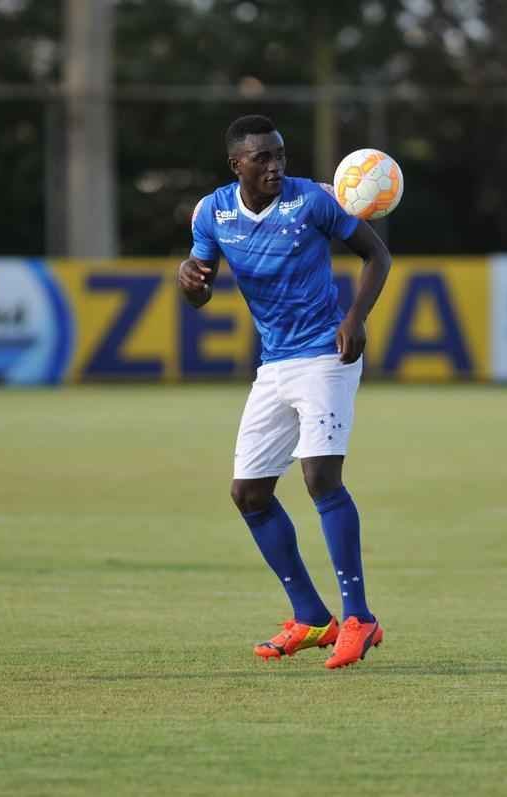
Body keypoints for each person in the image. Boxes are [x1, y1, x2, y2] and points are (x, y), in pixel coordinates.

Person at [177, 115, 393, 669]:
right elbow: (200, 289)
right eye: (263, 158)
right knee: (248, 493)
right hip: (275, 365)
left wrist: (357, 317)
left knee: (320, 478)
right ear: (237, 165)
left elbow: (377, 255)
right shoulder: (212, 213)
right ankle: (312, 617)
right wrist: (190, 282)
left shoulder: (314, 202)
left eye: (280, 155)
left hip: (326, 355)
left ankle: (360, 618)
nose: (276, 166)